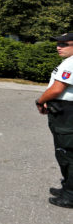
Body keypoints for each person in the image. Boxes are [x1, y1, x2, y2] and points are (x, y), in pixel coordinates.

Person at [35, 32, 73, 208]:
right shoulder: (68, 62)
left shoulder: (71, 63)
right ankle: (67, 187)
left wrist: (40, 100)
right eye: (58, 43)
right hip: (63, 111)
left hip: (67, 114)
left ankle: (70, 194)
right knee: (64, 150)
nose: (59, 47)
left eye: (64, 44)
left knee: (67, 153)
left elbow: (57, 89)